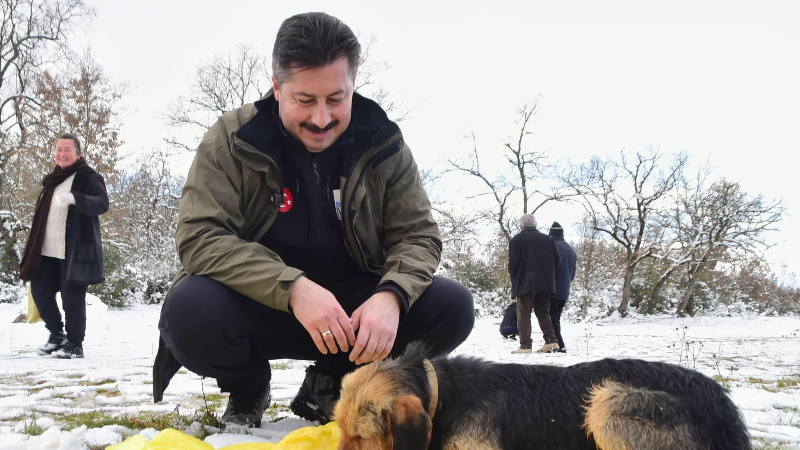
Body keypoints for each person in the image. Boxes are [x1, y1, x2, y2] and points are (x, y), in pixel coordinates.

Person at [152, 12, 475, 429]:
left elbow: (418, 236)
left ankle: (332, 382)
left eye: (336, 99)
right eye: (304, 100)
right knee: (187, 311)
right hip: (256, 305)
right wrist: (293, 288)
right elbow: (199, 237)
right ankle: (248, 385)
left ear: (352, 86)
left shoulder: (384, 143)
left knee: (451, 307)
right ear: (277, 88)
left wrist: (391, 294)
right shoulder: (231, 138)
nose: (321, 119)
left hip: (352, 317)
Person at [19, 133, 109, 359]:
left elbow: (102, 203)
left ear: (78, 153)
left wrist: (76, 199)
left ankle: (75, 345)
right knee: (39, 292)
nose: (62, 153)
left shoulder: (89, 177)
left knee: (72, 300)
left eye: (67, 149)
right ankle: (56, 335)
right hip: (47, 251)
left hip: (74, 253)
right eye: (59, 149)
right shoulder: (53, 179)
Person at [507, 214, 561, 354]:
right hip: (545, 283)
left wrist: (514, 277)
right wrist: (548, 274)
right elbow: (557, 259)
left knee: (524, 314)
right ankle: (551, 341)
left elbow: (513, 263)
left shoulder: (516, 240)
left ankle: (525, 346)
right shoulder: (549, 240)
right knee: (543, 312)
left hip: (525, 282)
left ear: (521, 226)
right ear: (535, 225)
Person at [548, 222, 576, 353]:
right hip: (564, 290)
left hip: (552, 289)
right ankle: (554, 343)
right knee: (556, 318)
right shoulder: (570, 250)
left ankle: (559, 344)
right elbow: (572, 274)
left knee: (551, 318)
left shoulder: (551, 247)